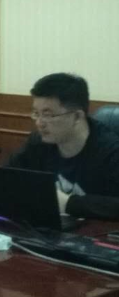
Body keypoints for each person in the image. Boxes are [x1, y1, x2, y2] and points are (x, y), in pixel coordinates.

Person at [9, 73, 119, 219]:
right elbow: (9, 177)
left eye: (48, 115)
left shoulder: (111, 152)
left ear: (77, 116)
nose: (39, 123)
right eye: (36, 113)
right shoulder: (38, 142)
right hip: (47, 227)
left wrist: (68, 203)